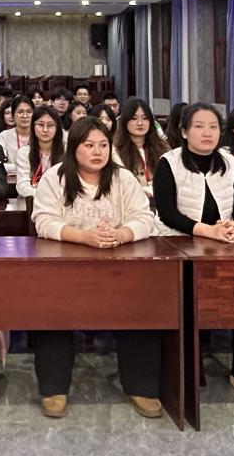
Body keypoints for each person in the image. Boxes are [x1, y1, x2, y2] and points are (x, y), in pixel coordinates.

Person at [31, 117, 161, 419]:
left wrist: (121, 234)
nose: (97, 152)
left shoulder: (123, 178)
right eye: (89, 145)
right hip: (66, 268)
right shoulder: (55, 177)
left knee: (144, 306)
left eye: (103, 145)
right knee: (50, 310)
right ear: (74, 148)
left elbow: (145, 218)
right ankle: (53, 388)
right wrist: (84, 237)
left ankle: (141, 386)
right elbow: (44, 221)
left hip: (119, 265)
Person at [152, 103, 234, 404]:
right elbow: (168, 213)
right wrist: (207, 231)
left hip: (225, 244)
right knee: (184, 297)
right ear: (184, 131)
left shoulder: (228, 161)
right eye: (198, 126)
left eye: (213, 126)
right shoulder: (169, 163)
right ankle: (183, 367)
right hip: (179, 245)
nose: (207, 132)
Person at [113, 98, 168, 202]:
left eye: (145, 118)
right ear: (125, 121)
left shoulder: (163, 147)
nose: (140, 123)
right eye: (134, 118)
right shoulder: (115, 152)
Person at [15, 106, 63, 200]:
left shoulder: (67, 152)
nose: (45, 130)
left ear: (57, 128)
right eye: (40, 125)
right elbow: (22, 187)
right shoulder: (24, 153)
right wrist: (48, 195)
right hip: (32, 204)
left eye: (50, 125)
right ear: (33, 127)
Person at [0, 96, 34, 182]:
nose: (25, 116)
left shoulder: (39, 135)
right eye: (20, 112)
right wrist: (26, 168)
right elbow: (0, 165)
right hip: (11, 183)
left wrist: (13, 168)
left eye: (29, 112)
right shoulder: (5, 136)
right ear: (13, 115)